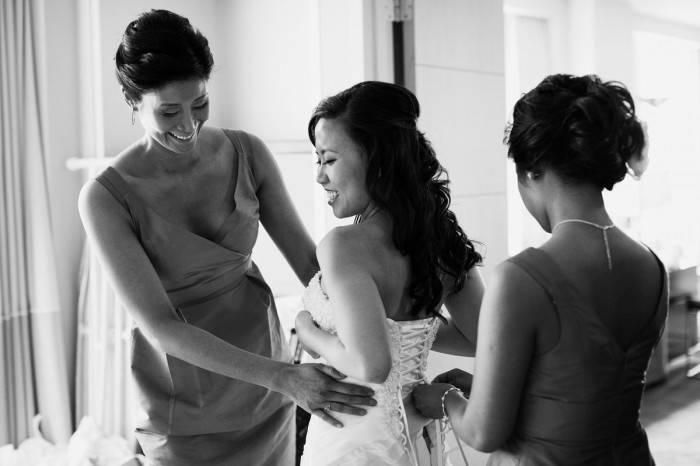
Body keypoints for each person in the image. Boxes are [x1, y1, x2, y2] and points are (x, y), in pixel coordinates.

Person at [78, 9, 375, 466]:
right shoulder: (104, 198)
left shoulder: (247, 152)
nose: (188, 125)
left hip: (268, 382)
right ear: (132, 101)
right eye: (168, 111)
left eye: (199, 103)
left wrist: (383, 325)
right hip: (186, 402)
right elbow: (160, 326)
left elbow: (310, 266)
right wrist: (283, 377)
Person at [413, 74, 668, 465]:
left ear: (531, 170)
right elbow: (581, 388)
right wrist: (486, 390)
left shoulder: (520, 278)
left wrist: (446, 398)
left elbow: (483, 433)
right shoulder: (651, 266)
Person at [294, 81, 485, 465]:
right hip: (417, 435)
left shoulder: (342, 246)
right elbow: (480, 337)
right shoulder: (439, 237)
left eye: (329, 160)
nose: (319, 176)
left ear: (377, 159)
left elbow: (371, 365)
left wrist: (308, 331)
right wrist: (404, 331)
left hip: (352, 444)